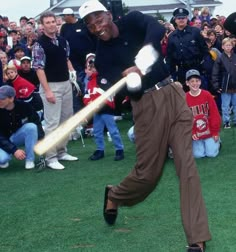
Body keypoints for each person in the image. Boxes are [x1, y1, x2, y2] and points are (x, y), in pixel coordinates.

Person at [79, 1, 211, 251]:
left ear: (109, 15)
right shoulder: (104, 57)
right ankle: (114, 195)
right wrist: (134, 80)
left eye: (99, 19)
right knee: (148, 175)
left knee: (187, 166)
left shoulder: (132, 21)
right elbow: (129, 97)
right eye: (91, 25)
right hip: (147, 106)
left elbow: (156, 29)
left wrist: (143, 58)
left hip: (173, 92)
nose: (97, 27)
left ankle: (196, 239)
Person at [32, 11, 78, 170]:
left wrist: (72, 72)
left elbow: (66, 58)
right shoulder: (39, 44)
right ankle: (51, 158)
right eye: (48, 22)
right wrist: (48, 91)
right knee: (52, 123)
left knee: (66, 121)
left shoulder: (63, 40)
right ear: (42, 25)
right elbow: (39, 69)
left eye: (53, 21)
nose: (52, 24)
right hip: (51, 86)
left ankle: (61, 152)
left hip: (66, 84)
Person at [83, 53, 124, 161]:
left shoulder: (102, 79)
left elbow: (109, 93)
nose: (90, 70)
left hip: (106, 109)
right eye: (88, 68)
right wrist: (89, 103)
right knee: (97, 131)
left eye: (92, 68)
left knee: (112, 130)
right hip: (97, 111)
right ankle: (100, 150)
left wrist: (97, 103)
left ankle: (119, 149)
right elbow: (86, 95)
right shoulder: (89, 83)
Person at [0, 85, 44, 169]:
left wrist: (40, 137)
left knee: (31, 127)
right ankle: (5, 156)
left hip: (15, 136)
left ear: (11, 98)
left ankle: (29, 160)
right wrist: (14, 150)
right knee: (3, 159)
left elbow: (36, 121)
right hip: (2, 140)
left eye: (2, 99)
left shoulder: (24, 106)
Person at [166, 8, 208, 91]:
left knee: (199, 94)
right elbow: (170, 57)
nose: (181, 20)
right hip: (181, 71)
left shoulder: (195, 32)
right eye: (179, 18)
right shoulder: (172, 36)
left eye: (183, 18)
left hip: (196, 68)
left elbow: (204, 50)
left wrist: (203, 66)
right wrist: (172, 75)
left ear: (187, 18)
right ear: (175, 20)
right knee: (184, 96)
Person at [185, 69, 221, 158]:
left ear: (200, 82)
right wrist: (192, 132)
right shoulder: (184, 98)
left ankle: (218, 142)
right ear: (187, 83)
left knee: (211, 154)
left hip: (209, 131)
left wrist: (215, 132)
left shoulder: (207, 94)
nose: (195, 83)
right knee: (198, 155)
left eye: (197, 81)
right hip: (196, 133)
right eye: (192, 81)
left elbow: (214, 114)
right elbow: (185, 119)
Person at [212, 37, 236, 128]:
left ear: (232, 46)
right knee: (225, 106)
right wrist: (217, 86)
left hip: (235, 85)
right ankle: (226, 121)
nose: (228, 47)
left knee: (235, 104)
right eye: (226, 45)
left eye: (230, 45)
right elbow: (215, 73)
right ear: (222, 46)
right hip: (225, 86)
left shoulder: (235, 57)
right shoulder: (220, 58)